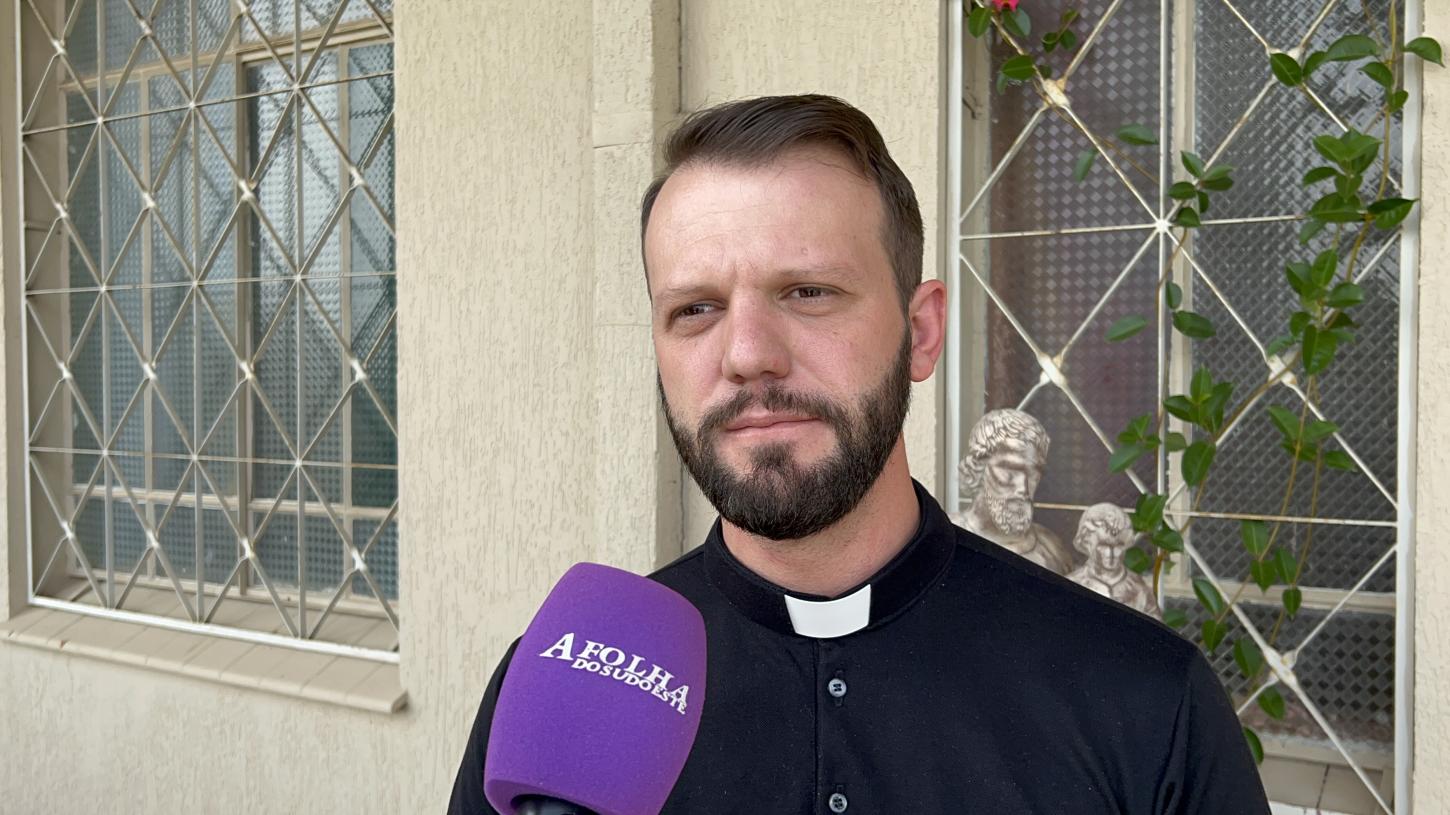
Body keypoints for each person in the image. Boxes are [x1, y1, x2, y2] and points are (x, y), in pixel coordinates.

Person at [449, 94, 1270, 814]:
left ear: (920, 332)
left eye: (807, 292)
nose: (746, 355)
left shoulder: (1146, 698)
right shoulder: (560, 698)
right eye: (695, 308)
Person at [955, 408, 1075, 574]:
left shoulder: (1053, 551)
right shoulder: (945, 540)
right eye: (1010, 469)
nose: (1023, 488)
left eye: (1034, 474)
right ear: (977, 468)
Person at [1068, 502, 1162, 619]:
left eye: (1118, 546)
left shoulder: (1139, 589)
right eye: (1102, 546)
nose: (1110, 554)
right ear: (1087, 543)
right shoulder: (1071, 586)